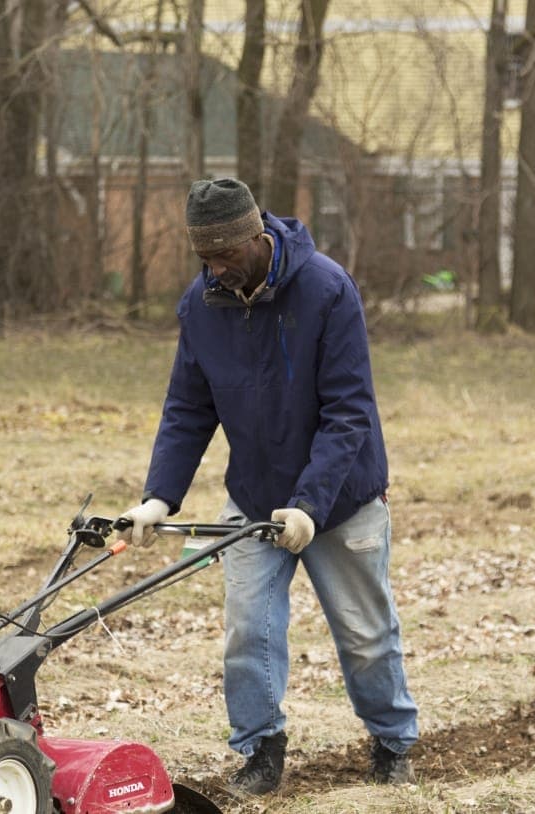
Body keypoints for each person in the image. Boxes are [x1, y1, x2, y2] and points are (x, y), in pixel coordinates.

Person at [117, 178, 418, 796]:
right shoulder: (202, 305)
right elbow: (187, 408)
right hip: (255, 498)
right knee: (248, 631)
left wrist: (309, 504)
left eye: (226, 255)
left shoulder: (327, 290)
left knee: (365, 635)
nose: (217, 270)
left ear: (257, 237)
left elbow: (348, 412)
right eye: (206, 259)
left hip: (341, 501)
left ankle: (391, 742)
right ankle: (260, 749)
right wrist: (157, 497)